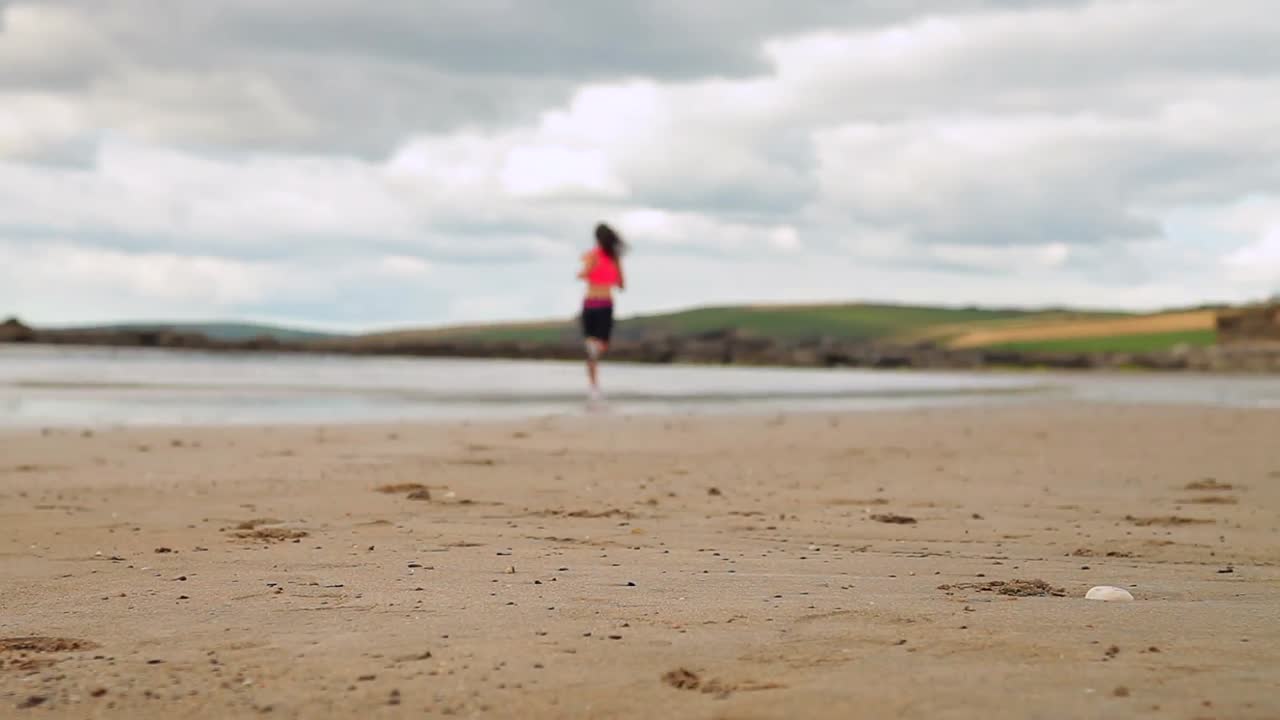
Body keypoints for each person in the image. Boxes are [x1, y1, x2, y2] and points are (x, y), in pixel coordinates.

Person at [577, 223, 626, 399]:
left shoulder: (592, 256)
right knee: (601, 345)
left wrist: (587, 272)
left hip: (589, 303)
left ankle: (593, 387)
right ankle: (593, 385)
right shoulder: (614, 258)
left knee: (591, 350)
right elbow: (621, 284)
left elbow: (583, 274)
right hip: (605, 303)